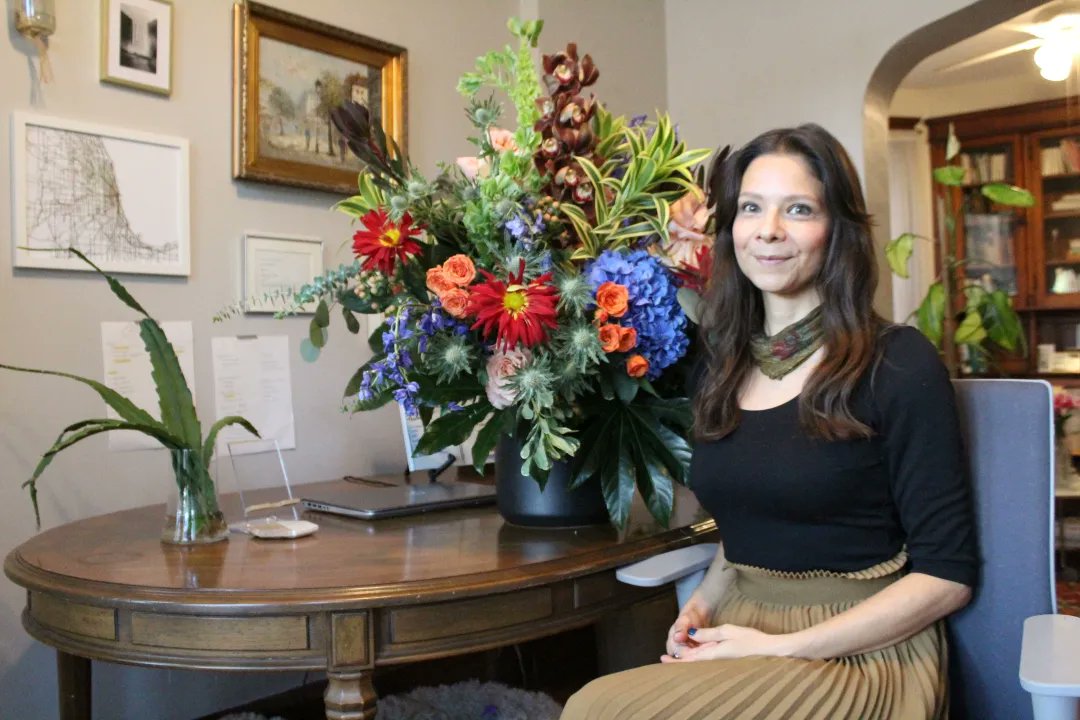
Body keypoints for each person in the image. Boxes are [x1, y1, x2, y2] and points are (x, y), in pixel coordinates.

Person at [561, 124, 977, 720]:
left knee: (597, 712)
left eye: (799, 209)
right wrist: (702, 606)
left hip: (858, 653)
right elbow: (749, 529)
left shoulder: (898, 363)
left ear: (838, 231)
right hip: (744, 628)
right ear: (732, 229)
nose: (770, 230)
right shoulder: (718, 363)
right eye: (752, 208)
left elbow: (947, 577)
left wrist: (782, 648)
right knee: (596, 704)